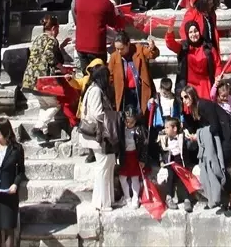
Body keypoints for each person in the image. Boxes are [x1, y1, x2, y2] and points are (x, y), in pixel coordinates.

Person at [20, 15, 73, 141]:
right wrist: (62, 69)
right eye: (58, 29)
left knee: (44, 105)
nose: (58, 32)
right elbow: (49, 55)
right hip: (42, 79)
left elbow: (43, 53)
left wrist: (61, 46)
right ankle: (38, 128)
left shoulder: (38, 38)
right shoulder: (51, 39)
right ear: (53, 28)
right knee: (55, 105)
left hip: (30, 78)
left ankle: (42, 133)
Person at [76, 60, 117, 211]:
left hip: (100, 134)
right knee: (103, 166)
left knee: (109, 163)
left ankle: (108, 200)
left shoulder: (95, 89)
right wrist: (114, 116)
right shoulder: (95, 91)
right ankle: (101, 202)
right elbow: (97, 113)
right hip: (97, 135)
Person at [0, 117, 25, 247]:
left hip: (9, 194)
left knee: (9, 229)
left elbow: (21, 171)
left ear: (6, 131)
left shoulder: (17, 149)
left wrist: (15, 184)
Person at [72, 0, 122, 69]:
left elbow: (76, 14)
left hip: (80, 46)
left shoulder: (78, 0)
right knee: (99, 77)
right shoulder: (106, 3)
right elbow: (112, 23)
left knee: (86, 78)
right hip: (96, 47)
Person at [116, 106, 147, 209]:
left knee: (135, 177)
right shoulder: (122, 129)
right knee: (122, 177)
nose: (128, 124)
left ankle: (135, 197)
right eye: (127, 121)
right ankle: (127, 197)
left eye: (131, 122)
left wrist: (142, 159)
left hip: (135, 156)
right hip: (125, 156)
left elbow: (143, 146)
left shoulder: (139, 130)